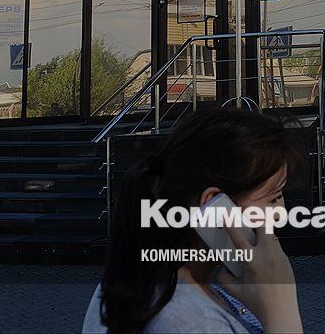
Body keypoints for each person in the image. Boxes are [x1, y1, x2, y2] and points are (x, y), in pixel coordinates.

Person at [82, 108, 304, 333]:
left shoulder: (132, 280)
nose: (281, 212)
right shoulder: (197, 323)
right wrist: (283, 314)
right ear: (215, 208)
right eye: (273, 197)